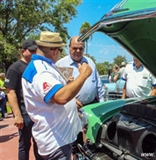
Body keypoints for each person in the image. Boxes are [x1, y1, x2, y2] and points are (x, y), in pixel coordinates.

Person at [21, 31, 92, 160]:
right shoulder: (41, 71)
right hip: (56, 141)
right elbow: (60, 97)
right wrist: (83, 75)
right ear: (55, 51)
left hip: (58, 138)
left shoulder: (45, 66)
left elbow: (54, 93)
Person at [56, 36, 105, 159]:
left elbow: (98, 84)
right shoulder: (61, 64)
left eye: (81, 48)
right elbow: (58, 91)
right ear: (68, 48)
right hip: (73, 108)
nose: (78, 51)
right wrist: (71, 101)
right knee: (75, 142)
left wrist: (102, 105)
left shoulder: (90, 62)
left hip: (92, 106)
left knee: (93, 140)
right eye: (74, 48)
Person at [4, 39, 43, 160]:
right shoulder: (15, 68)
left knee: (40, 144)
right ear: (23, 51)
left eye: (35, 50)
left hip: (38, 110)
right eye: (31, 50)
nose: (34, 52)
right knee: (25, 145)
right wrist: (17, 115)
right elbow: (10, 92)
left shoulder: (37, 65)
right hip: (25, 111)